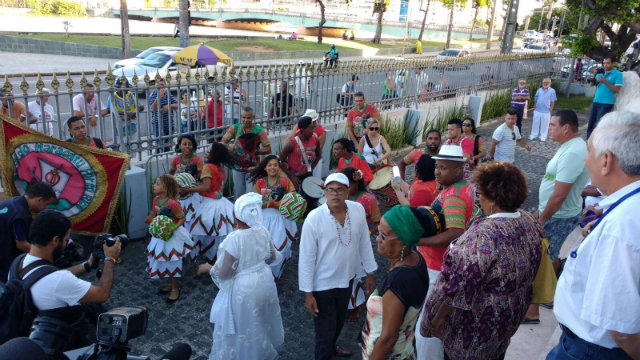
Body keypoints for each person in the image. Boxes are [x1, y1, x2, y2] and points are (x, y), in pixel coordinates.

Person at [421, 161, 542, 360]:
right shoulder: (528, 222)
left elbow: (456, 289)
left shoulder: (482, 237)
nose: (478, 199)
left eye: (479, 194)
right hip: (507, 321)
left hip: (475, 331)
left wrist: (434, 320)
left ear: (493, 199)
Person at [546, 111, 640, 360]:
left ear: (606, 160)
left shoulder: (621, 229)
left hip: (590, 351)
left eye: (590, 152)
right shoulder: (627, 209)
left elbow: (621, 329)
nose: (586, 160)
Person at [299, 173, 378, 360]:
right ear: (324, 192)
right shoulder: (314, 218)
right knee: (324, 333)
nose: (335, 194)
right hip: (323, 285)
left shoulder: (357, 209)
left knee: (339, 322)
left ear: (348, 191)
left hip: (348, 279)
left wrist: (370, 272)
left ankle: (332, 347)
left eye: (340, 189)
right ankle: (325, 353)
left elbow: (364, 242)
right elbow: (306, 258)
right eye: (331, 190)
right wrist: (308, 293)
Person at [197, 193, 284, 360]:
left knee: (243, 327)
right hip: (265, 281)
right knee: (261, 321)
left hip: (244, 289)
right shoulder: (263, 231)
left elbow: (226, 272)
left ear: (236, 215)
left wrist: (209, 268)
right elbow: (272, 258)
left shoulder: (234, 239)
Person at [524, 109, 590, 324]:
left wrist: (542, 218)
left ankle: (532, 311)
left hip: (558, 215)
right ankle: (548, 296)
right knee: (549, 255)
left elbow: (560, 194)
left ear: (566, 128)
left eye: (553, 125)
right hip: (554, 211)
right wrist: (540, 210)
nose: (548, 128)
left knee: (541, 259)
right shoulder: (568, 147)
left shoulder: (572, 152)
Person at [22, 210, 121, 349]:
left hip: (37, 332)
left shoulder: (20, 263)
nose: (67, 244)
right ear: (55, 240)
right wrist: (110, 259)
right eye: (66, 239)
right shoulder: (59, 281)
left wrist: (87, 264)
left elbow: (46, 274)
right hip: (69, 342)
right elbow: (102, 294)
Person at [414, 145, 475, 360]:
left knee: (427, 324)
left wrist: (418, 240)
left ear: (458, 170)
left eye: (443, 168)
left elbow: (454, 233)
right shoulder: (462, 187)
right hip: (440, 265)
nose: (437, 171)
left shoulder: (454, 195)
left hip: (436, 267)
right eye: (437, 166)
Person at [360, 205, 431, 359]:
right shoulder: (417, 259)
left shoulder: (399, 280)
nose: (377, 239)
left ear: (404, 242)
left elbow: (388, 339)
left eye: (383, 236)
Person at [181, 142, 236, 263]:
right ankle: (216, 256)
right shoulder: (221, 168)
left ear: (214, 155)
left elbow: (206, 187)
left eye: (209, 151)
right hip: (221, 202)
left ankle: (209, 257)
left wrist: (187, 189)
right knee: (218, 231)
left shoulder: (208, 167)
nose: (206, 153)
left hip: (209, 204)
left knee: (202, 230)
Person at [341, 166, 382, 322]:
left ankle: (356, 307)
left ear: (356, 183)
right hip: (340, 241)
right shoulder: (340, 197)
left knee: (356, 276)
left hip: (357, 245)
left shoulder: (368, 199)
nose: (344, 189)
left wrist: (367, 234)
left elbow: (377, 221)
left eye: (348, 185)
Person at [145, 174, 194, 302]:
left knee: (172, 260)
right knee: (163, 259)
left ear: (165, 187)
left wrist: (172, 227)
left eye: (157, 184)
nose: (154, 186)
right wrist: (152, 218)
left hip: (172, 236)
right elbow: (154, 212)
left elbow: (182, 218)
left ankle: (175, 288)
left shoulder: (173, 203)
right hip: (161, 235)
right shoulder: (156, 200)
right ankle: (170, 283)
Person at [249, 155, 297, 281]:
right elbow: (254, 201)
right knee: (262, 245)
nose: (273, 167)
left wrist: (278, 205)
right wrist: (270, 204)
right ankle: (262, 272)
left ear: (279, 167)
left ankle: (275, 273)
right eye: (269, 165)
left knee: (278, 245)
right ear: (265, 168)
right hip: (263, 218)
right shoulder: (260, 182)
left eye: (275, 165)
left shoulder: (285, 181)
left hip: (280, 218)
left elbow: (293, 198)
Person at [0, 182, 57, 281]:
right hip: (5, 263)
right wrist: (44, 256)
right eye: (46, 204)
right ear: (39, 200)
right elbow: (21, 244)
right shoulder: (20, 214)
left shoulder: (13, 201)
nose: (46, 208)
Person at [221, 106, 271, 201]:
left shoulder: (259, 130)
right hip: (237, 166)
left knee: (250, 196)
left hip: (253, 167)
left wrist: (254, 152)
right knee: (238, 195)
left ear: (253, 117)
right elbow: (223, 141)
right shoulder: (235, 127)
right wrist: (228, 146)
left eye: (248, 118)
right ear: (241, 116)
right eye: (244, 117)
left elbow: (268, 149)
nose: (246, 120)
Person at [586, 56, 623, 139]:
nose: (605, 65)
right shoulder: (601, 72)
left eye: (608, 63)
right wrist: (594, 75)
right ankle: (588, 142)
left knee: (599, 125)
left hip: (606, 102)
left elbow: (617, 89)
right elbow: (592, 84)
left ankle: (597, 143)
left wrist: (605, 81)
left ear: (613, 63)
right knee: (591, 123)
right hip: (596, 101)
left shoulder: (617, 74)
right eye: (604, 63)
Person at [280, 116, 321, 189]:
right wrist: (291, 176)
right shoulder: (291, 144)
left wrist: (311, 168)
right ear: (302, 130)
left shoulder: (315, 140)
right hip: (294, 177)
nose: (313, 131)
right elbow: (280, 161)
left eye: (313, 127)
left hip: (307, 174)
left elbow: (318, 156)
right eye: (311, 128)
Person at [286, 109, 326, 178]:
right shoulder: (300, 125)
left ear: (313, 122)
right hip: (295, 159)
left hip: (309, 163)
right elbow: (289, 139)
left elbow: (317, 152)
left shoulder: (321, 132)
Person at [149, 79, 179, 153]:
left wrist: (169, 106)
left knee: (168, 145)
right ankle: (158, 158)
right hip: (158, 124)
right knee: (159, 145)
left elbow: (177, 105)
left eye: (163, 85)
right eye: (159, 85)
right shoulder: (153, 94)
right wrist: (159, 97)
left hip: (168, 123)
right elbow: (153, 108)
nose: (161, 87)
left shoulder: (168, 93)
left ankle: (166, 158)